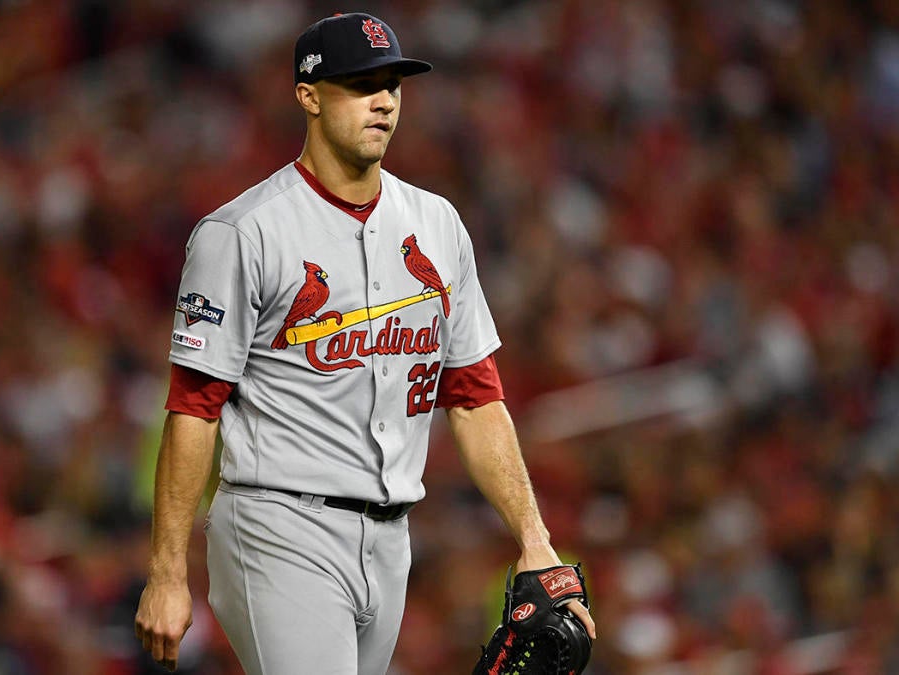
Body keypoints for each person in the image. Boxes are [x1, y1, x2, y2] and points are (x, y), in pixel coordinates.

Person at [134, 12, 596, 674]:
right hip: (277, 525)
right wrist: (167, 568)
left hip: (390, 538)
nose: (382, 100)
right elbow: (195, 405)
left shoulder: (437, 223)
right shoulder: (243, 232)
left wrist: (535, 539)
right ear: (309, 95)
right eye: (360, 84)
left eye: (392, 85)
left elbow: (473, 394)